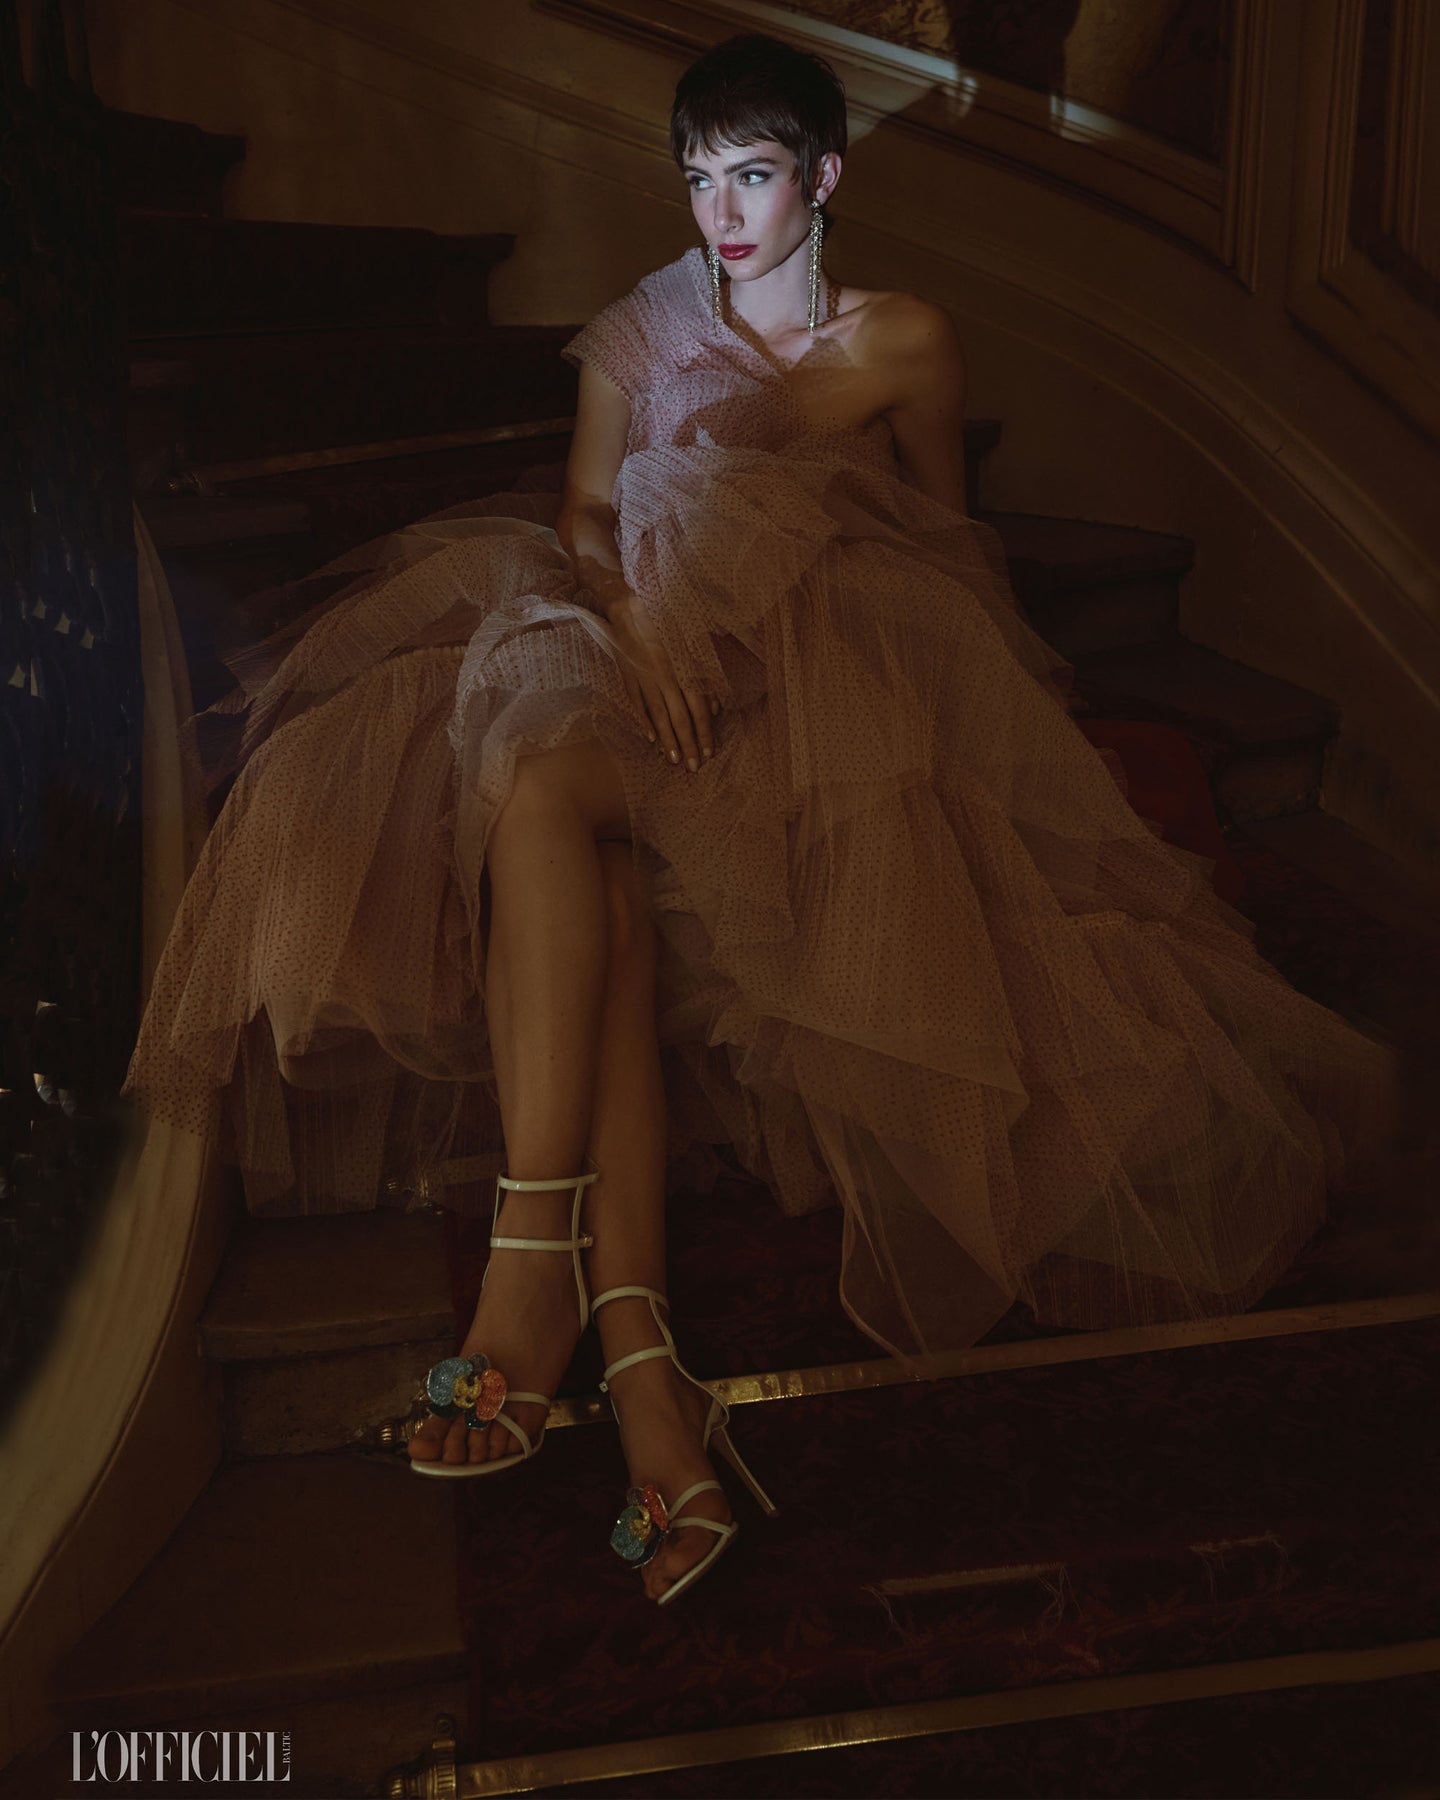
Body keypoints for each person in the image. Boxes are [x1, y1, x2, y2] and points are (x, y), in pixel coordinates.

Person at [121, 32, 1404, 1606]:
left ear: (823, 176)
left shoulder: (906, 339)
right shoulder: (639, 331)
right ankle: (630, 1358)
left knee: (573, 853)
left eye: (753, 175)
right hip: (641, 663)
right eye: (698, 180)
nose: (721, 213)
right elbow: (586, 517)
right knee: (543, 786)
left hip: (826, 704)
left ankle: (580, 1320)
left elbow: (948, 543)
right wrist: (641, 632)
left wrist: (956, 736)